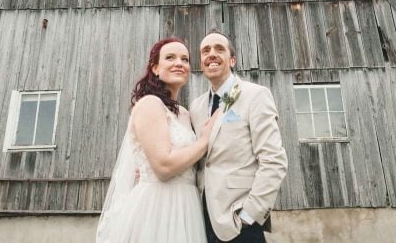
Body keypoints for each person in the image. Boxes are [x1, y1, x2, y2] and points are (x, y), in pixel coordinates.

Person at [97, 37, 219, 243]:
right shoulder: (149, 104)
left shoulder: (185, 114)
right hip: (156, 208)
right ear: (155, 68)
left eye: (185, 59)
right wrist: (206, 140)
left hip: (188, 207)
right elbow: (163, 167)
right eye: (170, 57)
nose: (179, 63)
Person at [189, 31, 288, 243]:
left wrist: (249, 215)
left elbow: (274, 160)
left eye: (219, 49)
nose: (211, 54)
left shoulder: (255, 95)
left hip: (239, 221)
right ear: (201, 63)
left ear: (232, 60)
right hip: (203, 221)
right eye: (206, 51)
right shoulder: (196, 108)